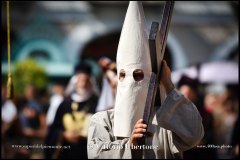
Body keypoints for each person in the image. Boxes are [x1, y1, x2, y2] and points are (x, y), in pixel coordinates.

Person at [87, 2, 204, 159]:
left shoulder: (166, 121)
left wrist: (168, 85)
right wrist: (131, 146)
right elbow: (96, 154)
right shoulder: (102, 121)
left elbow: (194, 135)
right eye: (123, 75)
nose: (131, 81)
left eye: (138, 75)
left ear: (152, 78)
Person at [46, 62, 99, 159]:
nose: (83, 83)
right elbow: (53, 129)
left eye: (86, 80)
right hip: (66, 153)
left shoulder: (97, 105)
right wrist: (63, 135)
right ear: (74, 82)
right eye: (80, 80)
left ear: (90, 82)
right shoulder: (65, 104)